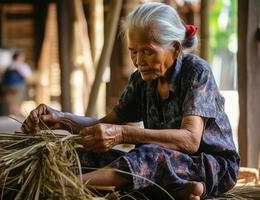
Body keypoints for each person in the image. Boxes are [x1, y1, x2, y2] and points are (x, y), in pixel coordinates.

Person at [22, 2, 239, 199]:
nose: (138, 61)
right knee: (83, 155)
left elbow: (190, 141)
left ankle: (60, 186)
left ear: (175, 48)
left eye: (148, 52)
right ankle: (178, 190)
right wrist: (61, 120)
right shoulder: (141, 80)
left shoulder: (196, 71)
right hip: (161, 164)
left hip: (210, 167)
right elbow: (107, 124)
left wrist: (123, 134)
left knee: (149, 154)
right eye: (133, 51)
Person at [1, 50, 32, 116]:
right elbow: (27, 76)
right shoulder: (21, 66)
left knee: (11, 100)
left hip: (9, 85)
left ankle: (12, 114)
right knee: (15, 101)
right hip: (16, 86)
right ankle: (14, 114)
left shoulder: (10, 65)